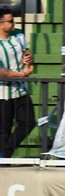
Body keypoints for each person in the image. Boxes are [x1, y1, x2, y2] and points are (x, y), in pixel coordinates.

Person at [0, 11, 35, 157]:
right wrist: (21, 74)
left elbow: (27, 52)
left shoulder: (19, 34)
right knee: (3, 130)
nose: (14, 23)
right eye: (11, 21)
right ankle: (4, 160)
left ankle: (5, 152)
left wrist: (29, 57)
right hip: (2, 93)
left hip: (20, 90)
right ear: (1, 24)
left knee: (29, 122)